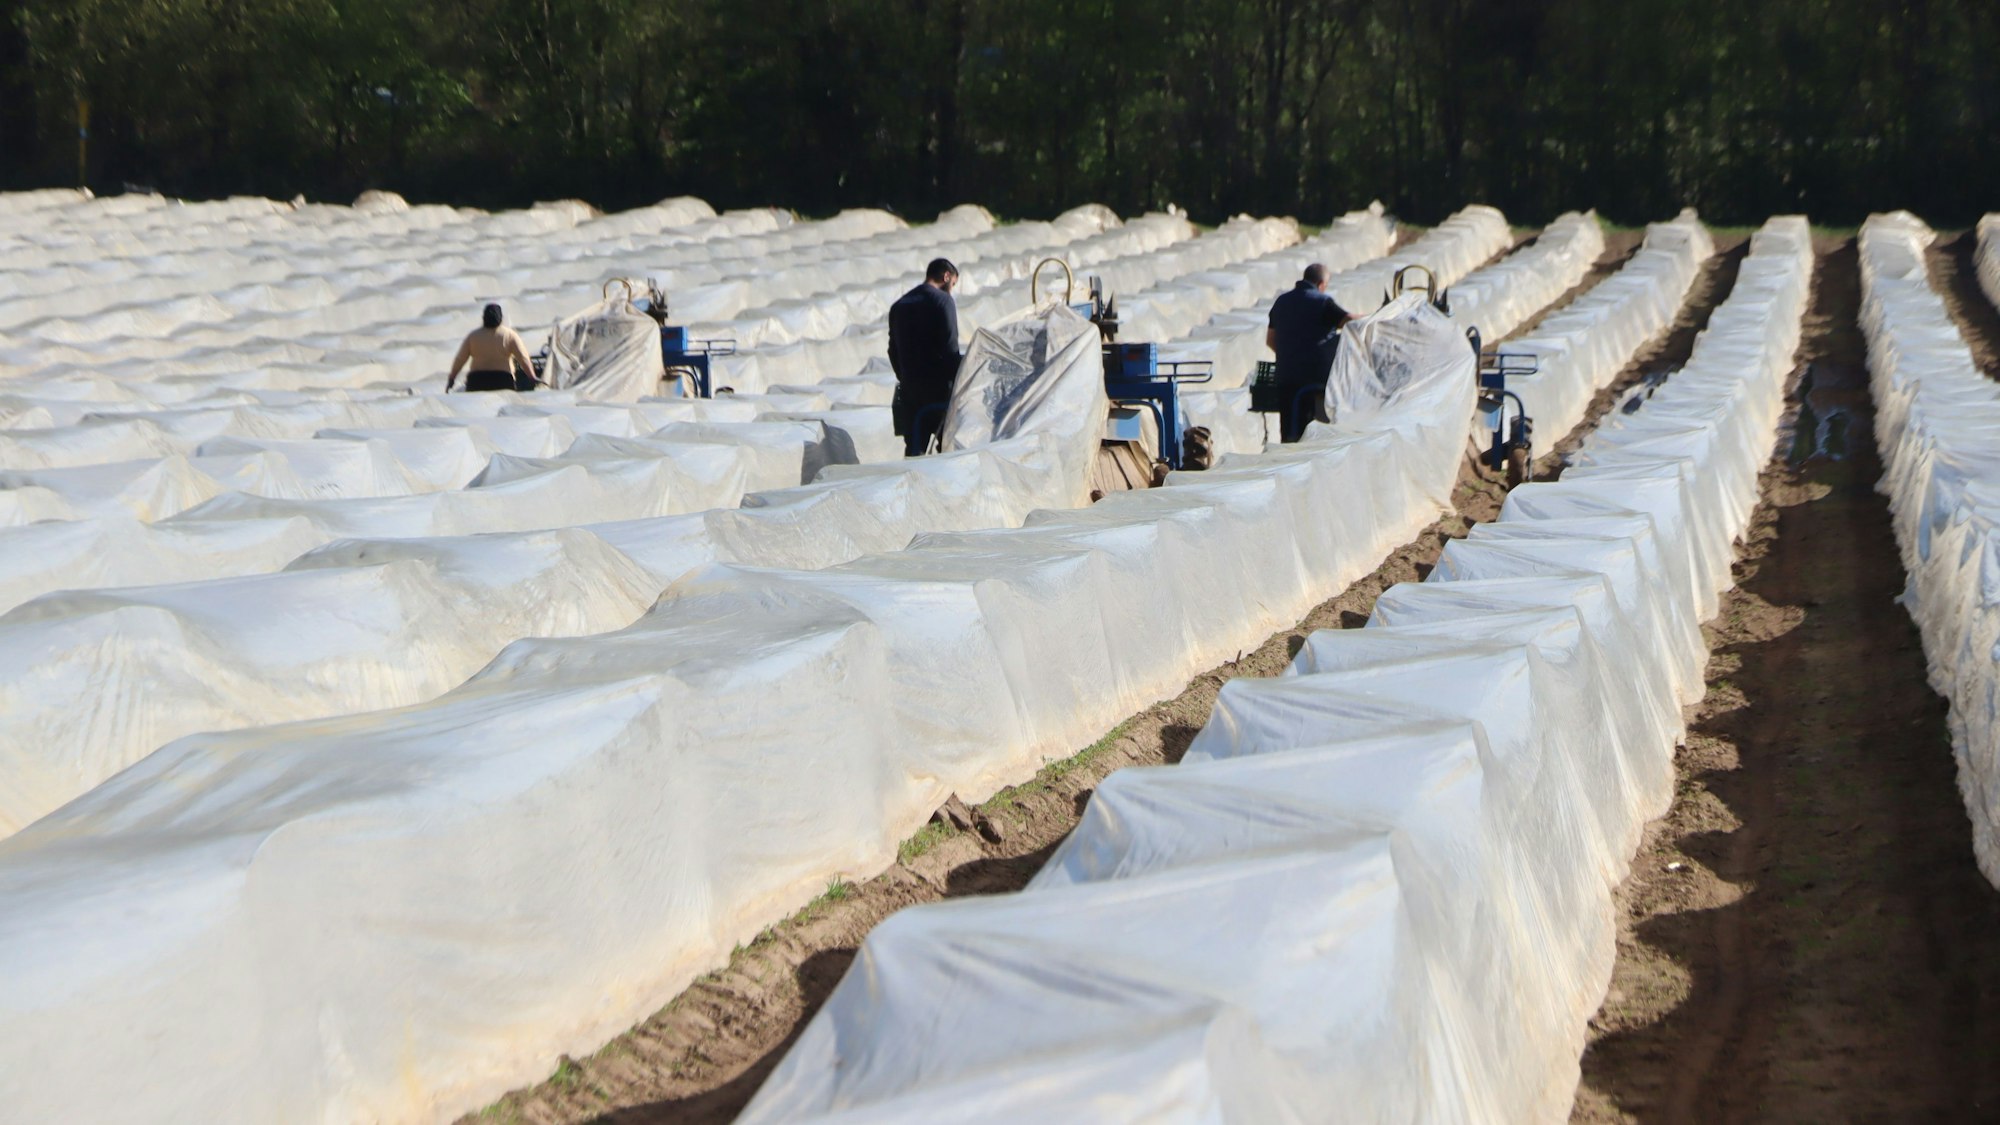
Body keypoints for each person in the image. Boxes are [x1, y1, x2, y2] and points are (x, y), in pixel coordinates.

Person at [1265, 263, 1351, 441]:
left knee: (1289, 435)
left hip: (1286, 378)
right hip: (1317, 379)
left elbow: (1270, 340)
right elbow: (1348, 320)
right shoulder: (1322, 303)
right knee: (1317, 434)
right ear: (1321, 284)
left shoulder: (1282, 302)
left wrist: (1289, 355)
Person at [887, 258, 963, 456]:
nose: (951, 289)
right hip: (939, 392)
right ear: (946, 276)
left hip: (911, 393)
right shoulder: (943, 301)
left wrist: (905, 377)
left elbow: (892, 350)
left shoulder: (899, 305)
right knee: (946, 450)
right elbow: (950, 349)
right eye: (953, 284)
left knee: (915, 452)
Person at [448, 303, 539, 392]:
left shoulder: (473, 336)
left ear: (483, 317)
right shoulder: (509, 335)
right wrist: (532, 376)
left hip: (477, 381)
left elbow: (460, 359)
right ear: (501, 318)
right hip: (502, 381)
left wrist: (452, 378)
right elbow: (523, 358)